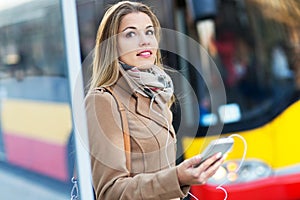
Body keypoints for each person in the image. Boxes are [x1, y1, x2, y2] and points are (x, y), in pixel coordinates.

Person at [85, 1, 225, 199]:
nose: (145, 41)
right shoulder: (103, 101)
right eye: (131, 34)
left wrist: (184, 176)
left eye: (149, 32)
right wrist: (177, 178)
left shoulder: (158, 94)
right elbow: (110, 192)